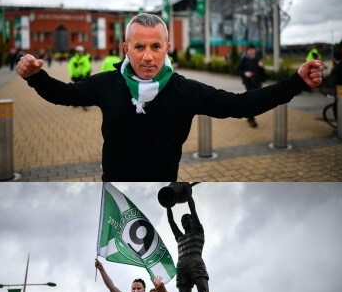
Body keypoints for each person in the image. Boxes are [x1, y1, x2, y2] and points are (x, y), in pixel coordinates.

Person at [16, 13, 323, 181]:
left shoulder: (185, 90)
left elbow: (240, 105)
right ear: (126, 48)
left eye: (155, 47)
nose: (148, 57)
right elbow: (66, 95)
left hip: (164, 185)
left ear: (167, 47)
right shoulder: (108, 84)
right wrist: (36, 77)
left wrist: (295, 81)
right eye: (139, 47)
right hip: (114, 186)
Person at [166, 183, 215, 292]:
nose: (184, 222)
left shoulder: (198, 231)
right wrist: (168, 203)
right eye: (182, 221)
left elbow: (192, 210)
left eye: (187, 219)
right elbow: (170, 221)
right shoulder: (179, 237)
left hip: (196, 263)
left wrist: (188, 196)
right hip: (181, 268)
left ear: (192, 221)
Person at [235, 45, 266, 128]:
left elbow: (262, 73)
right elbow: (237, 69)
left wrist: (261, 67)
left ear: (254, 51)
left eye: (252, 50)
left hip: (257, 82)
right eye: (249, 50)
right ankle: (252, 119)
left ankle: (249, 116)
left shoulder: (257, 59)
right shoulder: (244, 59)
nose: (251, 51)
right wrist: (245, 73)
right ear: (247, 51)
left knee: (256, 101)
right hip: (248, 83)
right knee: (252, 100)